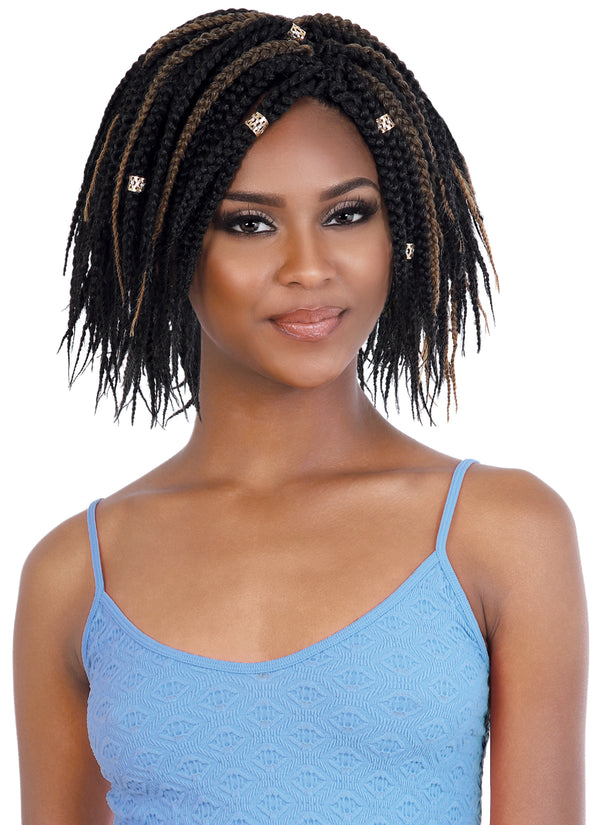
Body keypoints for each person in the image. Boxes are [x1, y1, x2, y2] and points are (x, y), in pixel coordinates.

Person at [13, 9, 587, 824]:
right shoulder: (72, 575)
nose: (309, 268)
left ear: (399, 231)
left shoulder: (501, 534)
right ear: (168, 242)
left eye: (348, 214)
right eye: (250, 223)